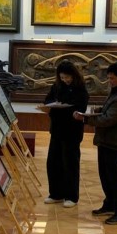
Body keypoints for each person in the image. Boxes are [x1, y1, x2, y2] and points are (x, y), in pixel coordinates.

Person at [73, 62, 117, 225]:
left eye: (112, 78)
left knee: (115, 177)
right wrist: (97, 111)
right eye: (108, 78)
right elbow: (108, 110)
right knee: (106, 176)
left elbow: (108, 119)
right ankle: (110, 204)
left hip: (114, 142)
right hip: (106, 141)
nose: (110, 81)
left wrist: (85, 119)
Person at [40, 61, 89, 208]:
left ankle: (71, 196)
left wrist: (61, 108)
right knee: (53, 162)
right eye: (62, 77)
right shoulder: (57, 86)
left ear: (73, 75)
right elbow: (48, 99)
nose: (65, 80)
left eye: (67, 77)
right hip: (57, 130)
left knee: (70, 164)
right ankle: (56, 194)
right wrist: (49, 106)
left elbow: (80, 108)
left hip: (72, 131)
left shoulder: (80, 88)